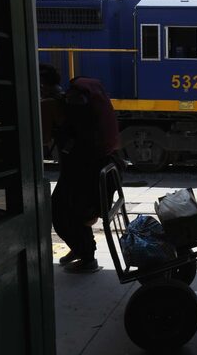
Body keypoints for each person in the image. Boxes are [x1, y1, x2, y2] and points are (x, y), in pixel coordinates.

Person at [51, 76, 124, 273]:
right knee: (75, 209)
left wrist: (62, 134)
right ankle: (81, 249)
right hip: (94, 163)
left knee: (62, 209)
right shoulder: (86, 94)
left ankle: (86, 256)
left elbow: (81, 138)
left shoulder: (74, 100)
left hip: (85, 166)